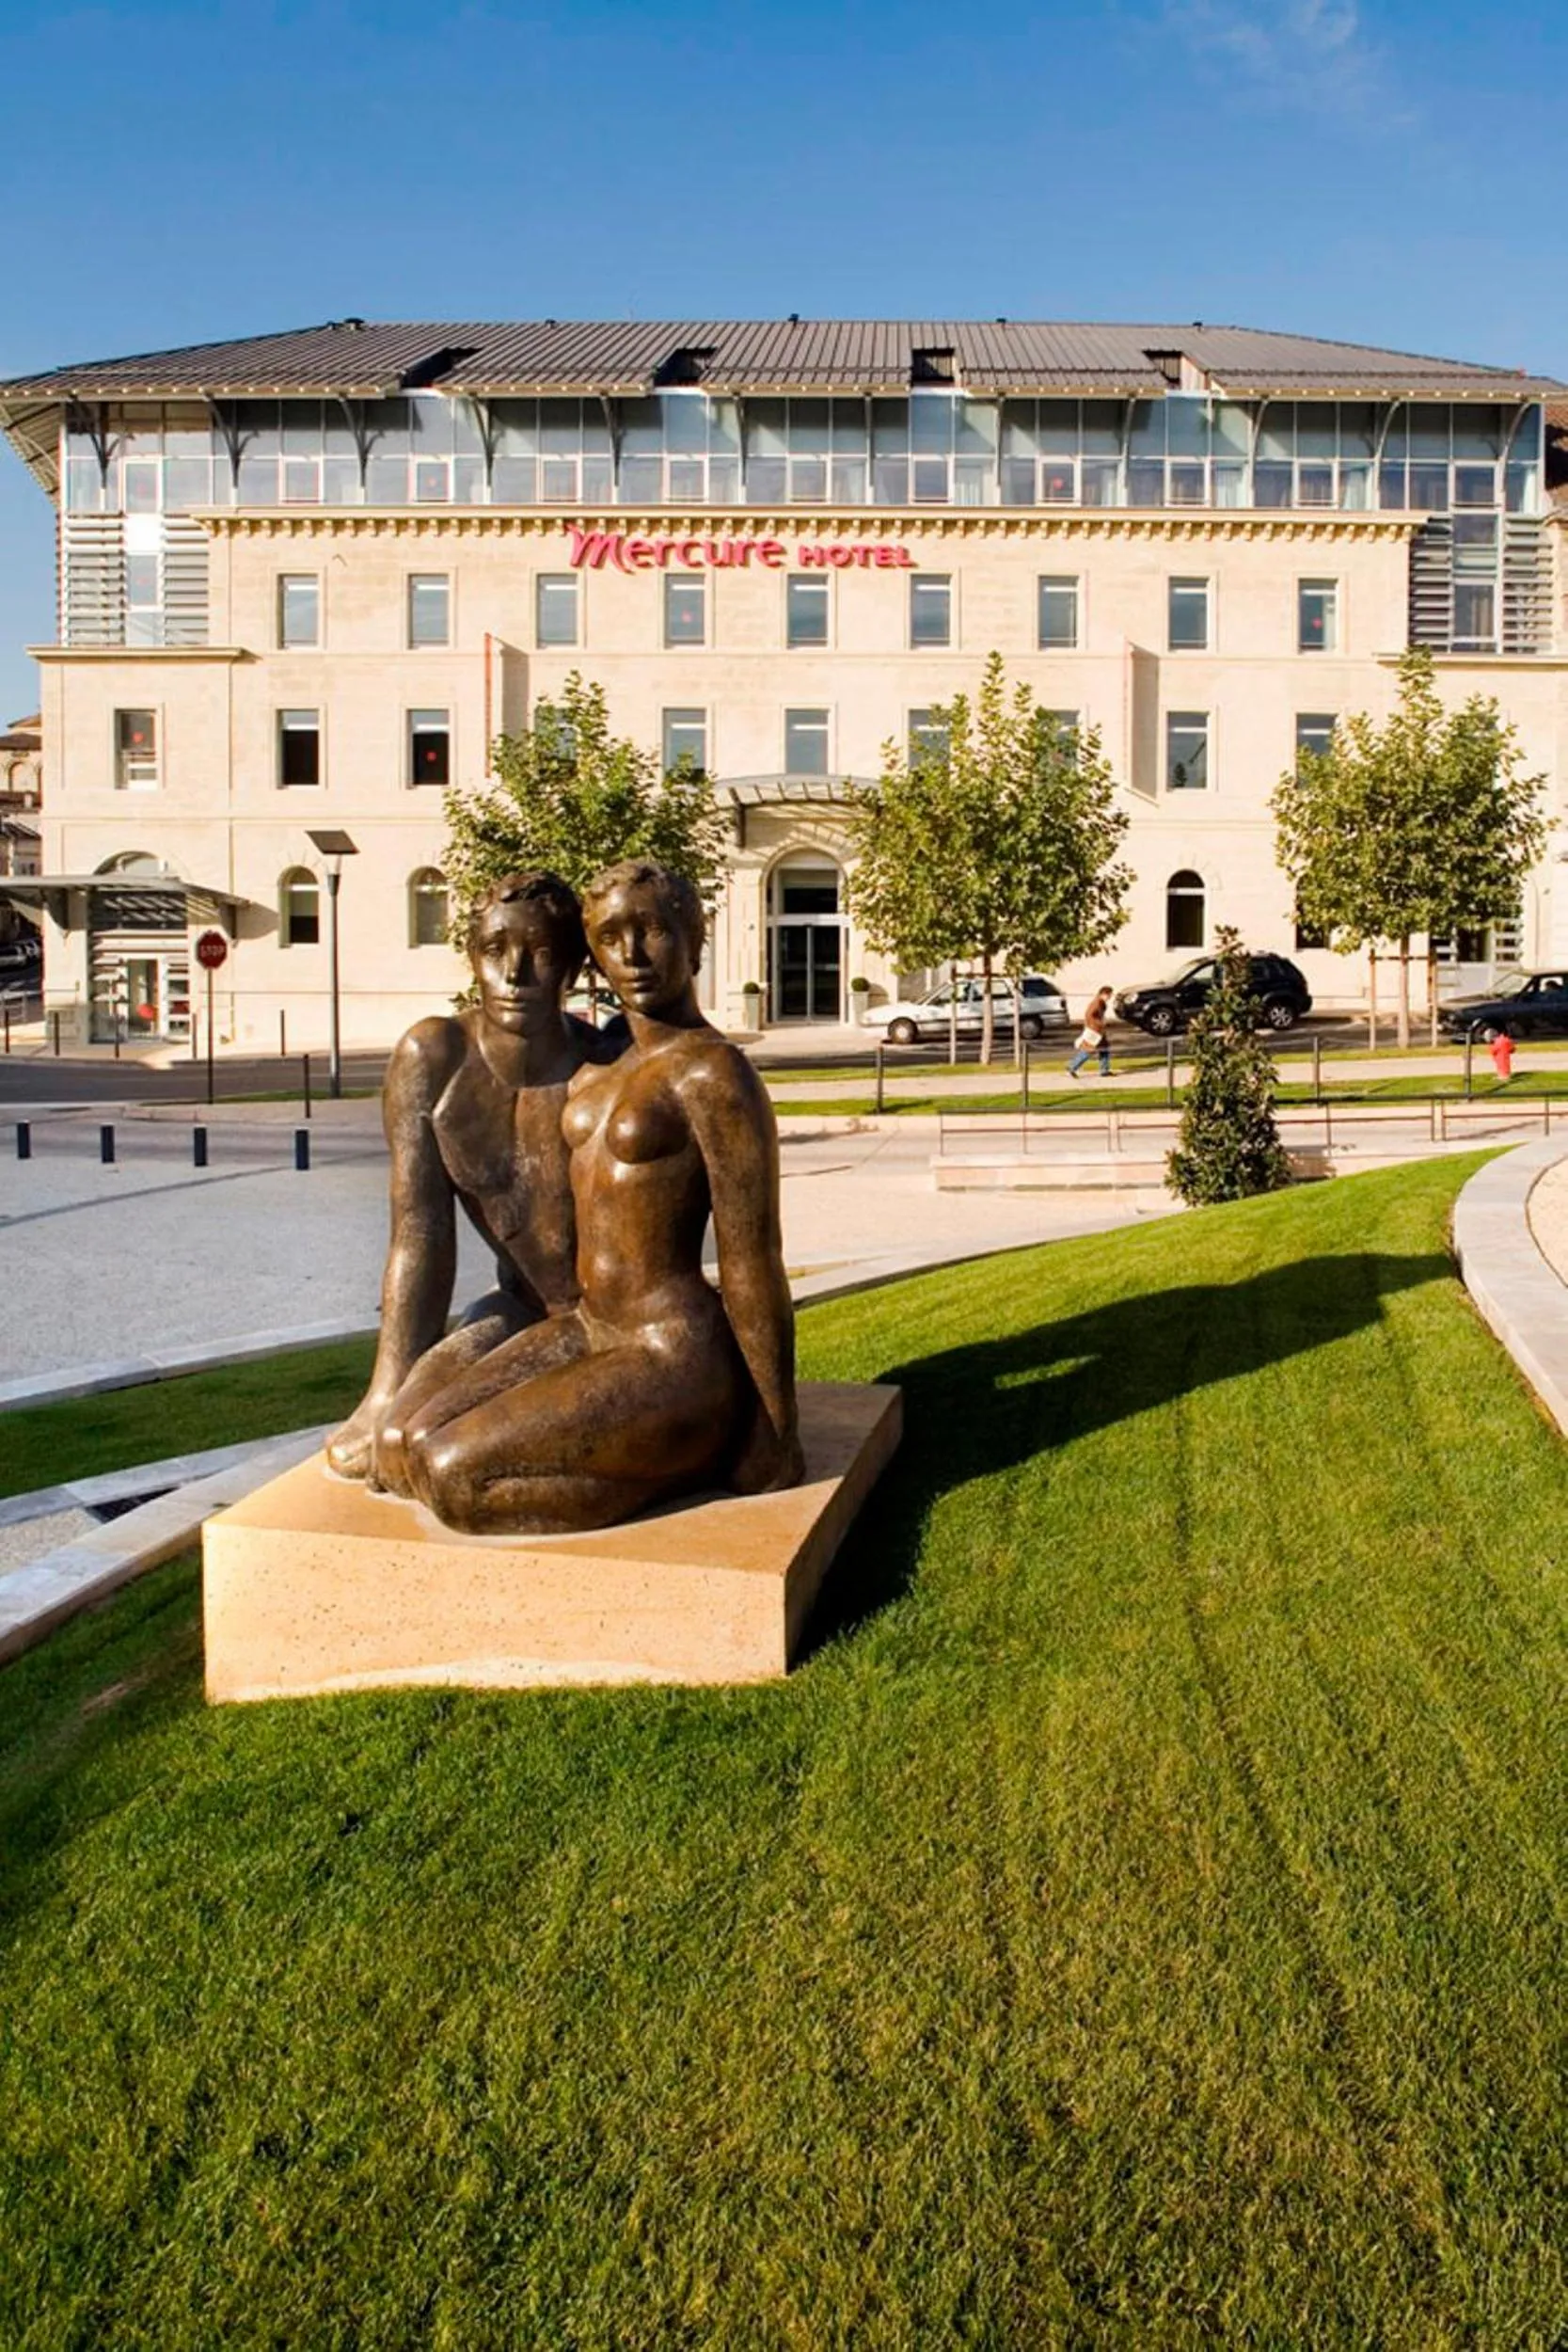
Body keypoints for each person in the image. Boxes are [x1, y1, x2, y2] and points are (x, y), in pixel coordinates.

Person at [400, 859, 804, 1535]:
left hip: (666, 1347)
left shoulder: (712, 1072)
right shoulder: (600, 1067)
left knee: (454, 1474)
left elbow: (752, 1260)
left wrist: (773, 1431)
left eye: (652, 930)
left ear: (693, 940)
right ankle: (654, 1453)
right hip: (587, 1330)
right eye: (610, 937)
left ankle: (688, 1455)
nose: (632, 955)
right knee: (412, 1445)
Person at [325, 871, 622, 1489]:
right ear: (472, 957)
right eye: (494, 951)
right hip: (517, 1308)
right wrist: (386, 1389)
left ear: (571, 967)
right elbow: (418, 1234)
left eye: (539, 953)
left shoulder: (603, 1068)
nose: (513, 974)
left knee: (435, 1451)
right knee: (393, 1436)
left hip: (603, 1320)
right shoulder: (433, 1057)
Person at [1067, 985, 1114, 1079]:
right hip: (1094, 1031)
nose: (1110, 997)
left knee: (1104, 1049)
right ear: (1103, 994)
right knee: (1088, 1050)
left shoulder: (1101, 1003)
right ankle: (1072, 1067)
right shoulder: (1096, 1003)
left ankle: (1104, 1070)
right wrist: (1098, 1023)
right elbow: (1089, 1015)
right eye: (1109, 995)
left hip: (1099, 1031)